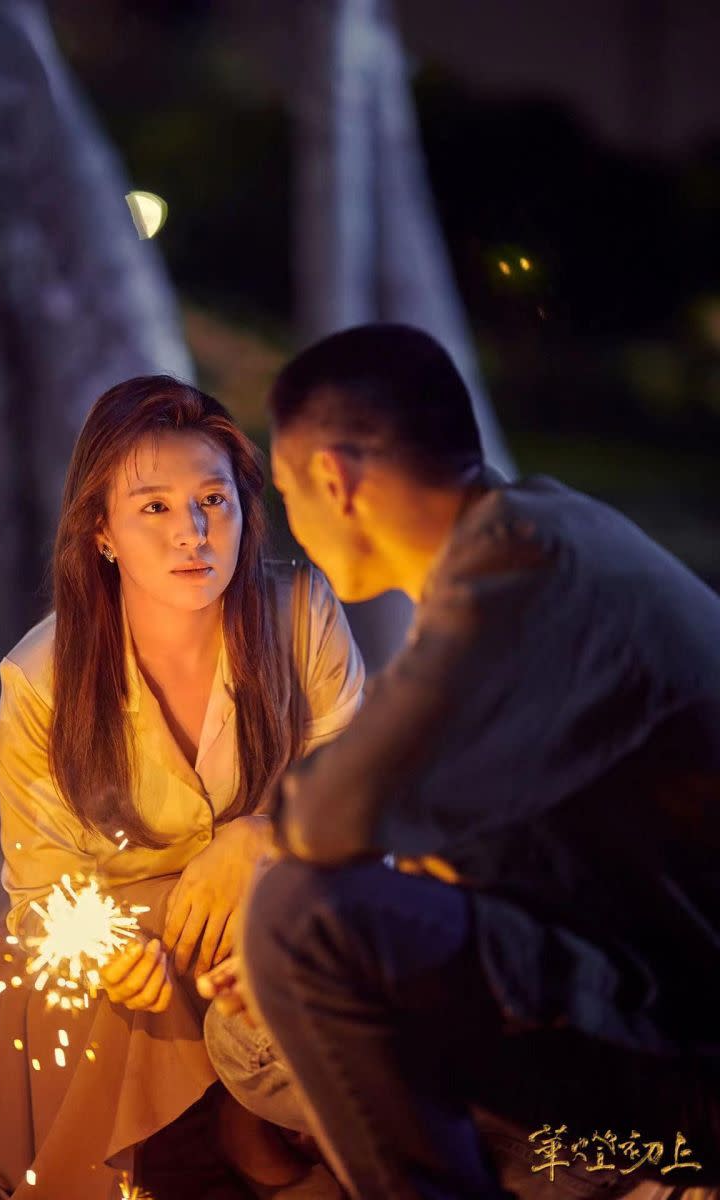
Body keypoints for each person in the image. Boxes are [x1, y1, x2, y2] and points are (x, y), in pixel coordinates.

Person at [200, 325, 720, 1199]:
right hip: (645, 989)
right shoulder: (545, 532)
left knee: (298, 921)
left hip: (686, 1044)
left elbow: (332, 815)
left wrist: (258, 841)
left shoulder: (522, 564)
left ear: (334, 479)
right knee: (267, 1006)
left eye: (283, 490)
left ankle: (626, 1178)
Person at [0, 376, 363, 1200]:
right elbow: (42, 879)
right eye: (155, 509)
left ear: (245, 508)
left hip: (276, 890)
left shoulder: (302, 614)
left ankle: (256, 1128)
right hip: (126, 932)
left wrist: (264, 834)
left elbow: (359, 787)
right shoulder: (43, 677)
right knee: (61, 982)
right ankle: (188, 1151)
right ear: (101, 532)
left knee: (314, 928)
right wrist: (105, 952)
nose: (193, 533)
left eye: (214, 500)